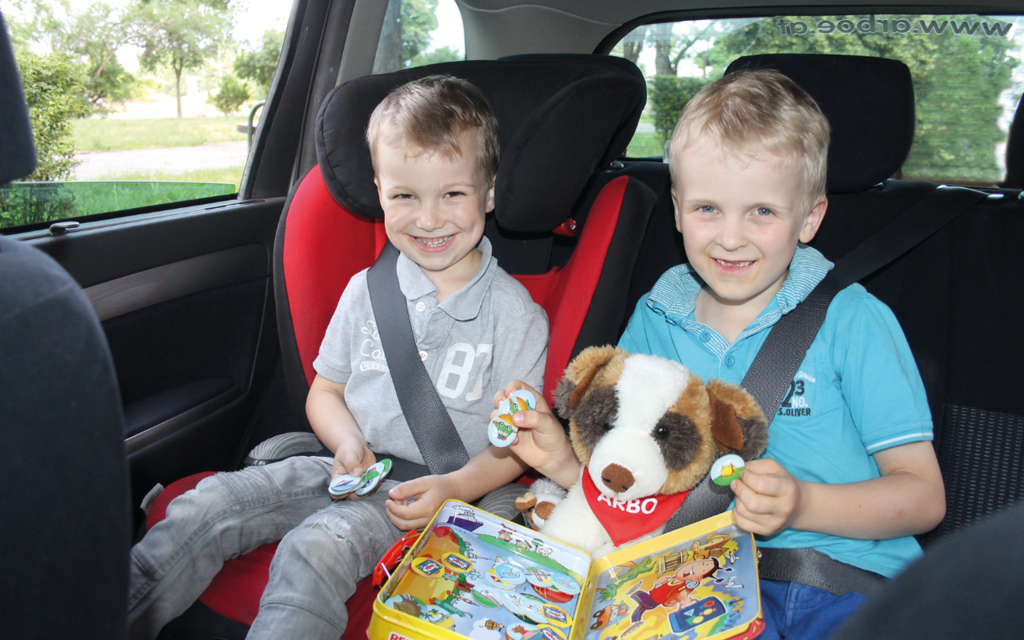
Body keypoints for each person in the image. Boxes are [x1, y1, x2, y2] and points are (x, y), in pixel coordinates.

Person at [501, 69, 945, 640]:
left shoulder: (853, 322)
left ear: (808, 218)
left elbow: (923, 496)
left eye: (762, 211)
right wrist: (562, 460)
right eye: (708, 209)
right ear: (678, 208)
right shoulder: (656, 317)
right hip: (692, 577)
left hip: (840, 580)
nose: (730, 237)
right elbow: (638, 468)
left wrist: (801, 505)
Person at [128, 75, 549, 640]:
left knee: (315, 549)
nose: (428, 218)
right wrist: (345, 440)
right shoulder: (364, 292)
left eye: (452, 193)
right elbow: (326, 391)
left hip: (426, 495)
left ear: (489, 191)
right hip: (344, 466)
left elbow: (515, 444)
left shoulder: (515, 316)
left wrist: (456, 488)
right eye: (404, 195)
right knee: (209, 503)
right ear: (379, 190)